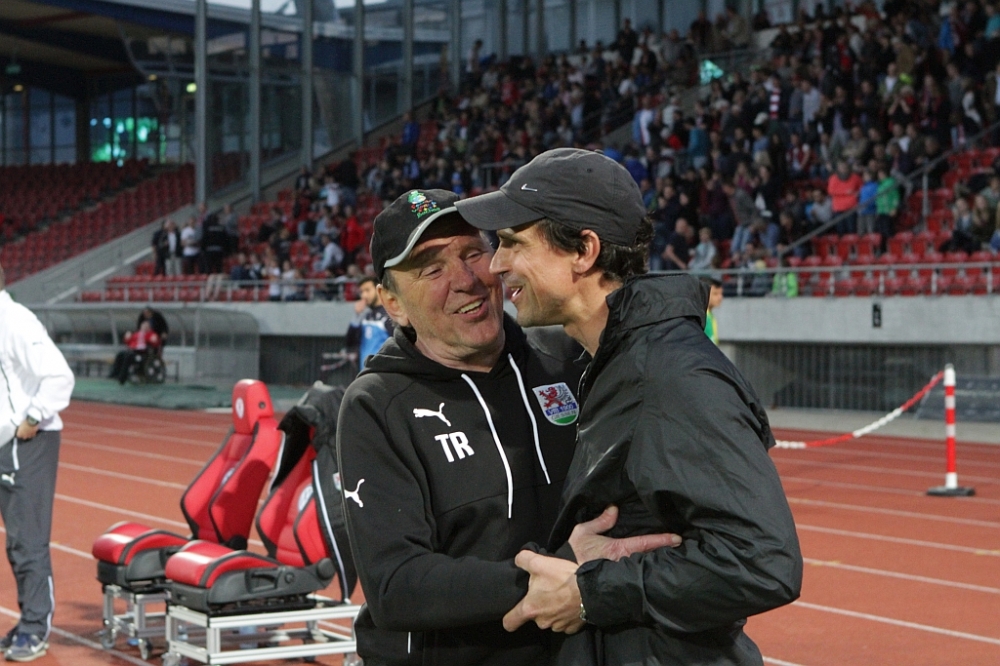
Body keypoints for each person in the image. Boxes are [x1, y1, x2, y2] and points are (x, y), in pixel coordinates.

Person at [455, 148, 802, 665]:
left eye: (513, 242)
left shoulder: (669, 374)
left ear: (584, 250)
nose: (496, 264)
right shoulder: (611, 359)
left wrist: (590, 593)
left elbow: (763, 561)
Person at [336, 189, 679, 666]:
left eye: (473, 253)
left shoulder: (567, 360)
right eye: (432, 269)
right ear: (393, 303)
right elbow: (395, 585)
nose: (466, 280)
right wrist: (556, 574)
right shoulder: (376, 405)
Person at [0, 261, 75, 662]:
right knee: (16, 543)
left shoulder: (16, 321)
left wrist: (32, 417)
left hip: (28, 442)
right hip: (5, 441)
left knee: (28, 540)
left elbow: (60, 376)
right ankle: (26, 619)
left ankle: (35, 626)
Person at [344, 276, 393, 373]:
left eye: (367, 290)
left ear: (379, 290)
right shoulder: (365, 317)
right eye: (361, 292)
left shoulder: (389, 316)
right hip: (364, 373)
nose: (363, 296)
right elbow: (350, 343)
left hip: (384, 374)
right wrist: (357, 316)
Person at [704, 274, 723, 344]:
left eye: (721, 294)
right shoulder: (702, 318)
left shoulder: (710, 316)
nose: (720, 297)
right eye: (715, 294)